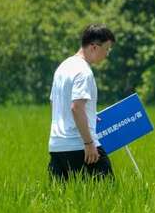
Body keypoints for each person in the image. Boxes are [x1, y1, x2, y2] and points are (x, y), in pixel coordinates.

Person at [48, 24, 116, 181]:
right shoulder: (83, 72)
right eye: (107, 49)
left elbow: (55, 104)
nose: (107, 54)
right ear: (93, 47)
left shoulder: (63, 67)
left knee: (63, 202)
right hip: (80, 147)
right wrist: (89, 143)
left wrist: (89, 116)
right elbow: (76, 107)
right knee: (108, 197)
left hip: (57, 146)